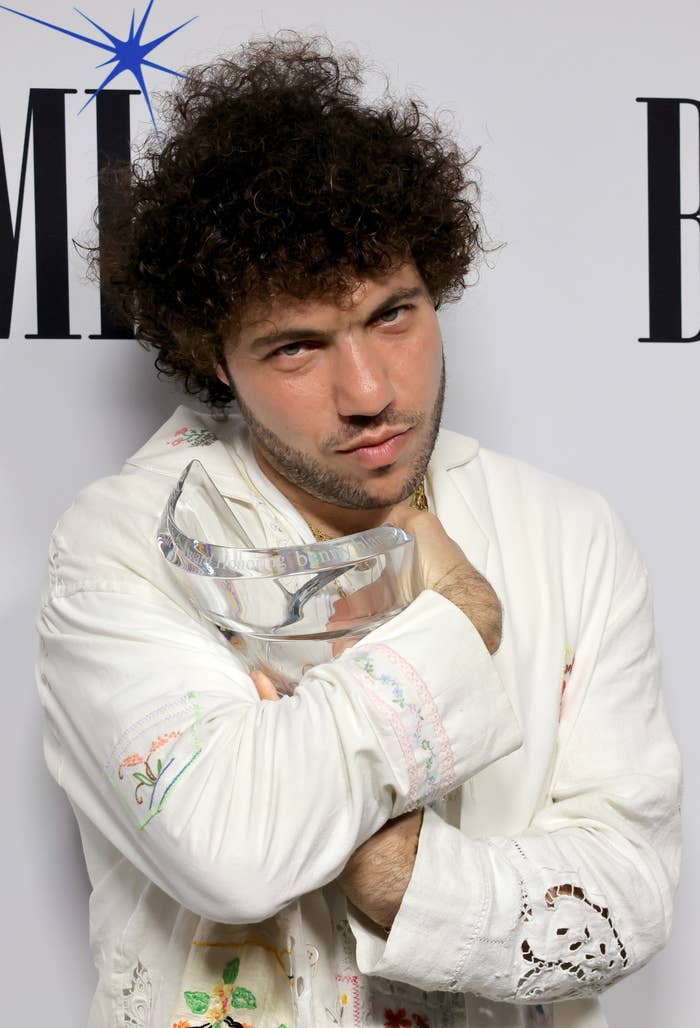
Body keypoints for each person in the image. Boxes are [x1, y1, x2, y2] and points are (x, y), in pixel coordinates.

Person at [36, 31, 681, 1028]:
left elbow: (632, 899)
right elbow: (234, 852)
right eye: (297, 347)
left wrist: (393, 871)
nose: (370, 391)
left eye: (392, 315)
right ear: (216, 356)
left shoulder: (567, 533)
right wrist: (459, 621)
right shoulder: (122, 545)